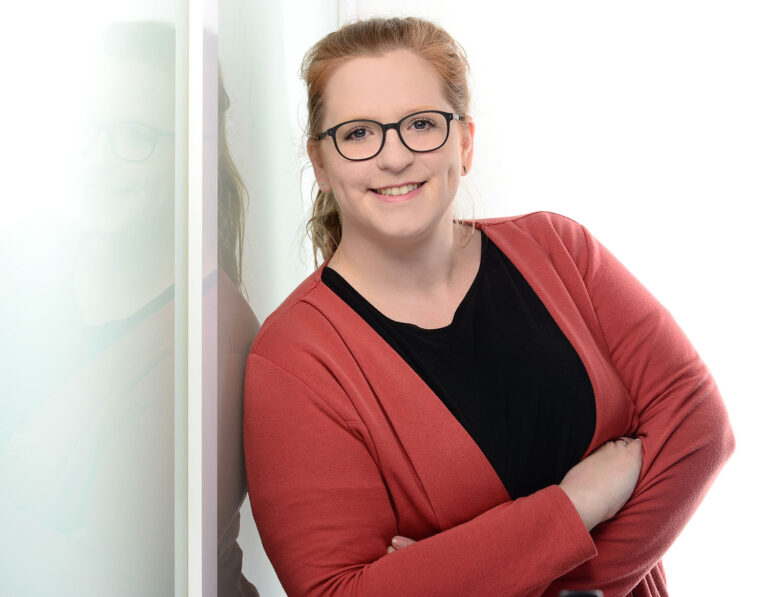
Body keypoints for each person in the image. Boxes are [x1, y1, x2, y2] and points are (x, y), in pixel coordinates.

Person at [243, 16, 734, 596]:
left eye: (422, 124)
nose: (394, 157)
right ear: (320, 164)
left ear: (465, 142)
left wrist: (486, 573)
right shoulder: (295, 360)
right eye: (356, 134)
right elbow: (338, 592)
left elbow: (699, 428)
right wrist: (577, 506)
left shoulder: (559, 250)